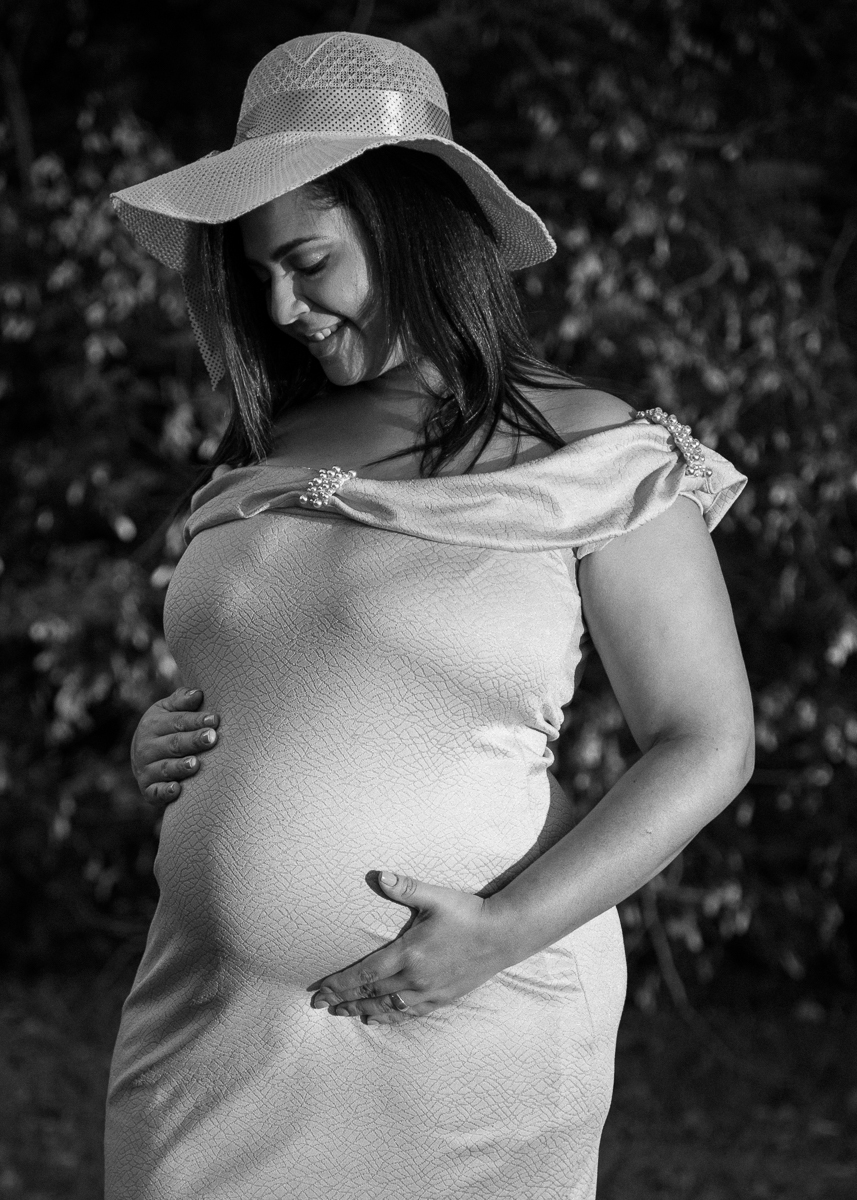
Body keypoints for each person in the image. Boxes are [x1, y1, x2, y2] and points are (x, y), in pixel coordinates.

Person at [106, 30, 754, 1200]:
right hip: (209, 1027)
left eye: (305, 260)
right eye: (256, 276)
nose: (283, 308)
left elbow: (705, 739)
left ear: (407, 226)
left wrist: (501, 933)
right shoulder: (268, 447)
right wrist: (169, 735)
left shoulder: (591, 450)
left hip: (471, 1025)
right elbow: (284, 664)